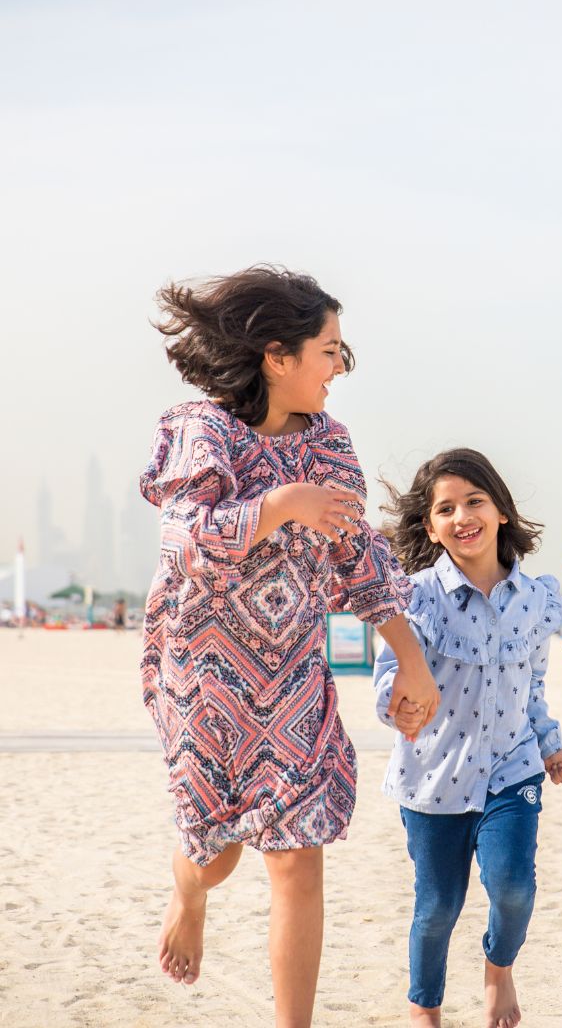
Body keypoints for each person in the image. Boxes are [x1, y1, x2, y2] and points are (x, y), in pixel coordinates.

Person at [139, 265, 439, 1027]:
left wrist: (410, 656)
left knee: (298, 859)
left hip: (295, 676)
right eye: (330, 349)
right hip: (203, 675)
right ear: (279, 356)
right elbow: (182, 543)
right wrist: (280, 504)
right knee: (218, 852)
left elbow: (359, 559)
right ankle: (190, 894)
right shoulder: (202, 431)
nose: (340, 366)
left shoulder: (331, 444)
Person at [375, 449, 562, 1028]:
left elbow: (533, 684)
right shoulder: (414, 597)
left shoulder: (537, 598)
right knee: (438, 907)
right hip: (433, 778)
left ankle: (499, 967)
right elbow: (389, 676)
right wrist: (401, 709)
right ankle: (425, 1009)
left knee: (513, 888)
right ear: (430, 527)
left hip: (511, 773)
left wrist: (549, 745)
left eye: (475, 501)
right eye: (446, 508)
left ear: (501, 512)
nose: (462, 516)